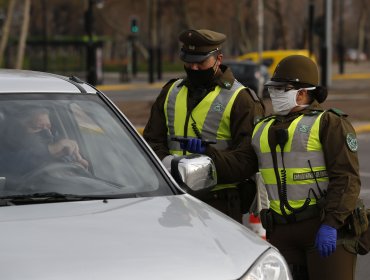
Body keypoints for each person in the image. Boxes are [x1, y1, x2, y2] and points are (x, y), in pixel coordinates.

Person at [252, 55, 361, 279]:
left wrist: (331, 223)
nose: (274, 94)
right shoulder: (263, 128)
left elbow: (347, 178)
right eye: (273, 88)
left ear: (302, 93)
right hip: (281, 232)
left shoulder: (329, 123)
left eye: (281, 88)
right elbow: (241, 165)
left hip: (323, 227)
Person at [143, 29, 264, 222]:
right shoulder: (170, 92)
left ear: (218, 59)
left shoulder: (241, 99)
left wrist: (208, 159)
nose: (194, 68)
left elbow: (248, 160)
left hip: (218, 204)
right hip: (174, 200)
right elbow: (150, 142)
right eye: (188, 61)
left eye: (200, 62)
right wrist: (171, 164)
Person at [1, 107, 88, 176]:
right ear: (16, 130)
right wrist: (50, 150)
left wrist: (77, 166)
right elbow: (11, 163)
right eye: (37, 127)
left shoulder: (57, 142)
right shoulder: (6, 152)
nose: (47, 133)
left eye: (48, 127)